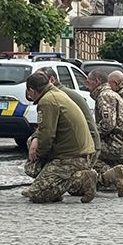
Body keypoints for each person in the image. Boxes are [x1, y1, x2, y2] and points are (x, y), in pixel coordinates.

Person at [21, 70, 98, 204]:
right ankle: (54, 183)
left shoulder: (46, 101)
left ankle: (81, 179)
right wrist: (35, 139)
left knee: (37, 194)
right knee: (32, 145)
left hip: (71, 157)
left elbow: (47, 135)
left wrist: (38, 156)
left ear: (32, 90)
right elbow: (46, 130)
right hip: (80, 153)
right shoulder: (57, 94)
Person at [84, 69, 123, 197]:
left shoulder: (105, 96)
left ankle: (111, 175)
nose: (86, 86)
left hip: (117, 144)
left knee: (87, 152)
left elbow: (107, 125)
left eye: (88, 83)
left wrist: (90, 135)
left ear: (97, 82)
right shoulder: (110, 93)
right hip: (122, 142)